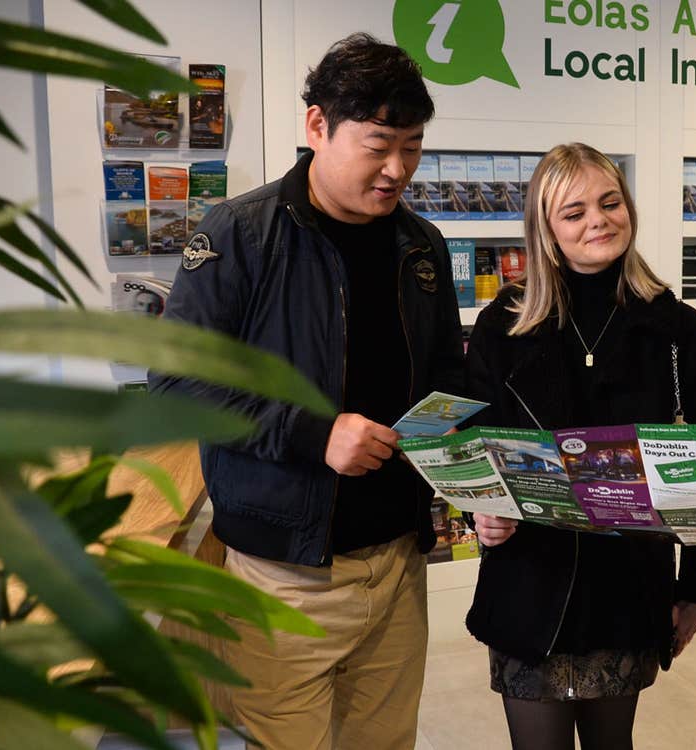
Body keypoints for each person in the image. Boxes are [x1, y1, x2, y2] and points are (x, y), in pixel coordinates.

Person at [149, 33, 463, 750]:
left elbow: (448, 364)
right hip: (282, 577)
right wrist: (314, 435)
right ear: (317, 125)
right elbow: (177, 384)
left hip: (397, 567)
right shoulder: (240, 234)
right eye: (378, 144)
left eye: (412, 147)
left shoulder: (422, 245)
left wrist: (446, 422)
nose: (396, 170)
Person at [465, 143, 696, 750]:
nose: (598, 221)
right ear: (546, 229)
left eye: (610, 203)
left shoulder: (677, 329)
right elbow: (477, 446)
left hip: (626, 589)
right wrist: (481, 510)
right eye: (574, 212)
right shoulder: (501, 325)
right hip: (529, 586)